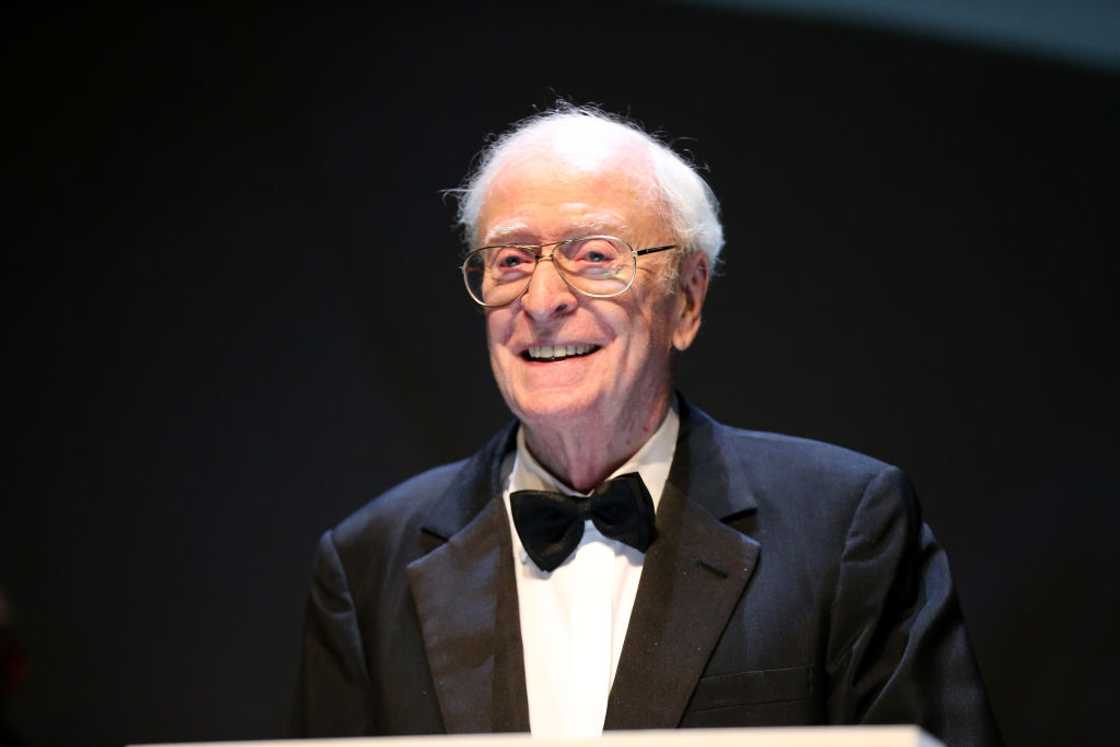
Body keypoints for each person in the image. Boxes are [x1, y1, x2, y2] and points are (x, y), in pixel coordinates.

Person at [291, 104, 1002, 746]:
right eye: (511, 260)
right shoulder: (365, 563)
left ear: (687, 299)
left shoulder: (848, 529)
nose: (541, 300)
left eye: (594, 256)